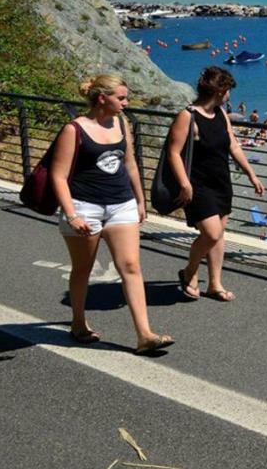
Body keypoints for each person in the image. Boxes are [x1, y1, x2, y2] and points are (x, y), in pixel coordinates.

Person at [49, 75, 174, 355]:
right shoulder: (75, 129)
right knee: (83, 268)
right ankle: (79, 323)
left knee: (131, 267)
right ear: (102, 98)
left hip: (121, 204)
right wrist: (71, 215)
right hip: (84, 207)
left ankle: (145, 334)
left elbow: (129, 163)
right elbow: (58, 176)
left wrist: (140, 200)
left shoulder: (121, 122)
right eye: (121, 98)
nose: (126, 103)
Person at [169, 66, 265, 303]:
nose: (230, 94)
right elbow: (173, 152)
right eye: (228, 89)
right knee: (211, 234)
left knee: (219, 234)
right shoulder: (188, 115)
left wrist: (251, 174)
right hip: (197, 184)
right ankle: (190, 271)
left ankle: (215, 284)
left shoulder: (221, 114)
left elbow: (233, 146)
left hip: (221, 181)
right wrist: (184, 184)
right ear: (221, 90)